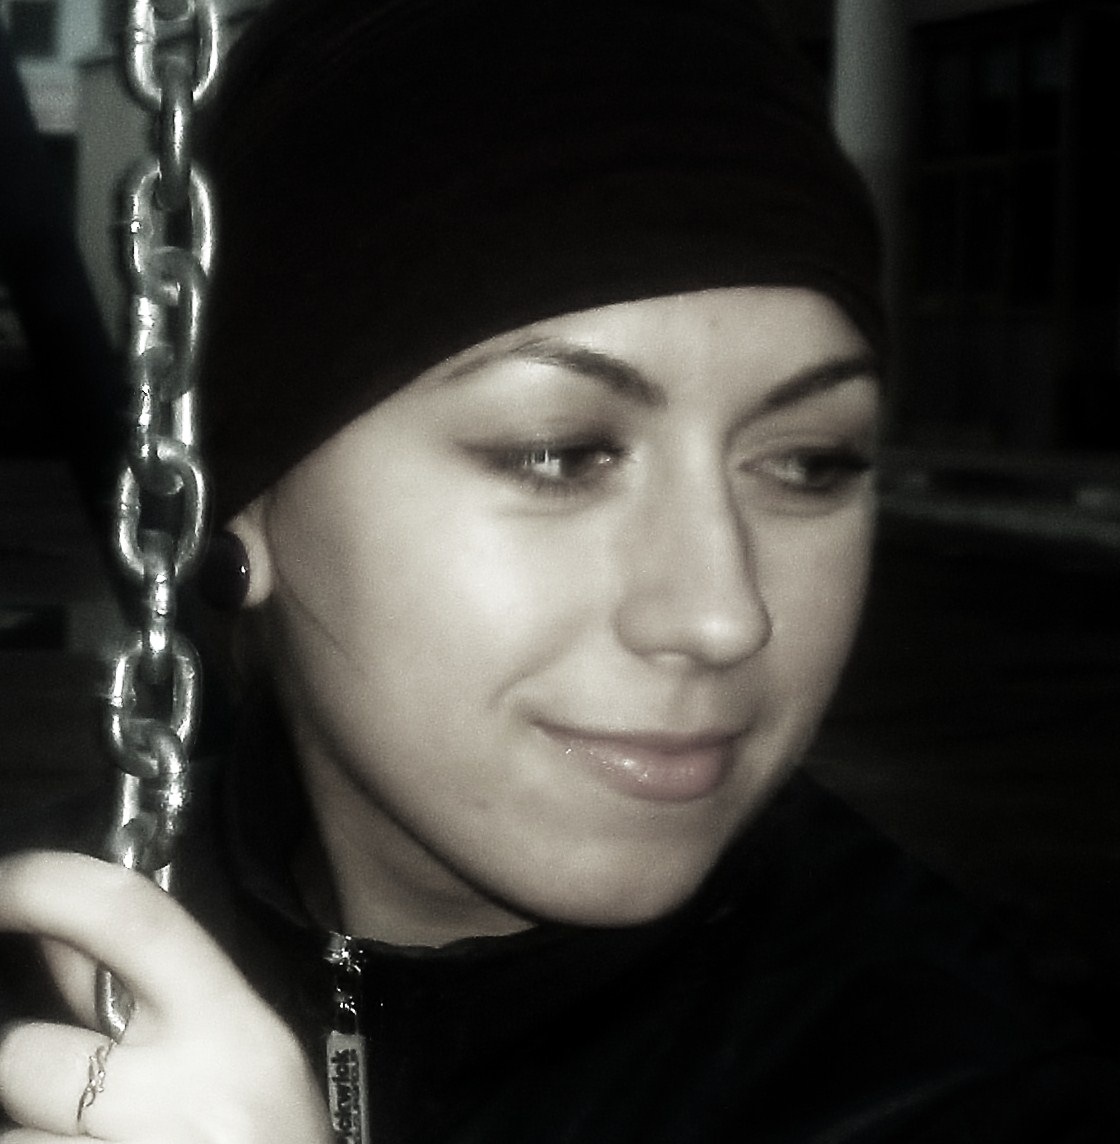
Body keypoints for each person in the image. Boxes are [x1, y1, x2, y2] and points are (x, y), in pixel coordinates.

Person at [0, 1, 1116, 1141]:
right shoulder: (32, 948)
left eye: (808, 463)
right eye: (558, 455)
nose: (722, 615)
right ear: (242, 495)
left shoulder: (963, 1084)